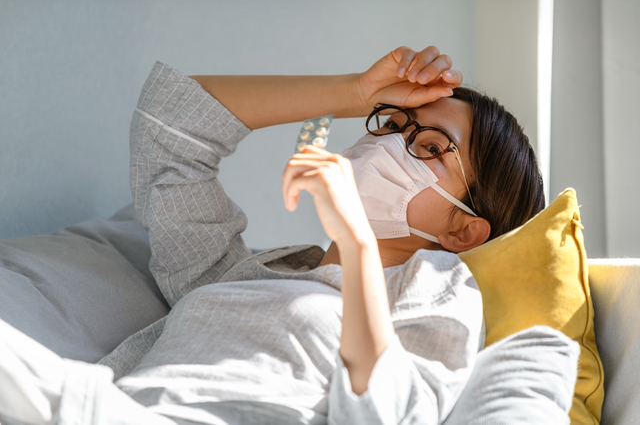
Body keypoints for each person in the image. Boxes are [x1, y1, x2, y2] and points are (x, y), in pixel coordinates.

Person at [0, 46, 545, 425]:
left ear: (465, 230)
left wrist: (356, 244)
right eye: (393, 123)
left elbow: (392, 412)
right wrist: (354, 91)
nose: (389, 144)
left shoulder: (438, 288)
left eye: (429, 148)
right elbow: (171, 126)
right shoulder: (240, 274)